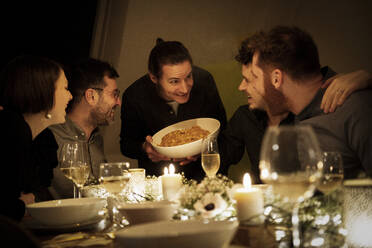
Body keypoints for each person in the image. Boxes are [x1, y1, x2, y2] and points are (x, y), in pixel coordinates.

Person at [233, 25, 372, 179]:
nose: (250, 87)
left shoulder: (356, 109)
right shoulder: (297, 114)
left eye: (255, 77)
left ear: (277, 78)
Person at [120, 39, 227, 181]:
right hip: (159, 182)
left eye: (189, 76)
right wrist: (145, 148)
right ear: (154, 78)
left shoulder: (205, 81)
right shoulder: (135, 96)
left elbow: (223, 129)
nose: (185, 88)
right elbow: (126, 144)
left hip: (205, 177)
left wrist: (205, 149)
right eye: (174, 81)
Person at [0, 55, 72, 221]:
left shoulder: (41, 137)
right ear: (44, 91)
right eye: (65, 88)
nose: (70, 96)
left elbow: (36, 193)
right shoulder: (10, 130)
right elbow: (5, 209)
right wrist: (21, 205)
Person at [48, 58, 121, 199]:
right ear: (91, 96)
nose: (118, 102)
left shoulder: (96, 139)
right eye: (114, 94)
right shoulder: (51, 138)